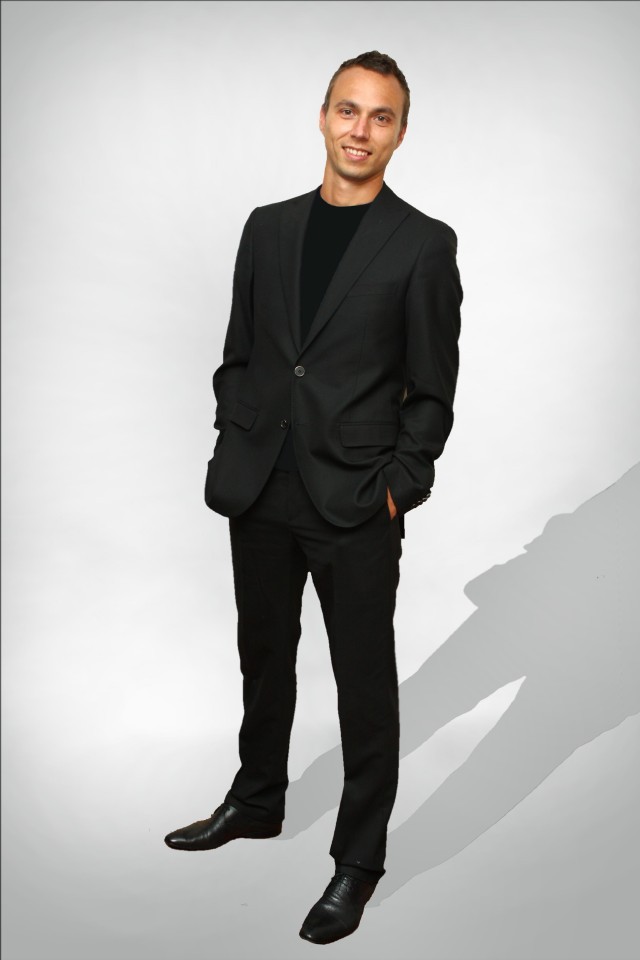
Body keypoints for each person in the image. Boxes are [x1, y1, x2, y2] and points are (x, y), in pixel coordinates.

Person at [164, 50, 463, 945]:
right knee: (264, 657)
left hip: (355, 500)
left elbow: (433, 390)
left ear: (400, 133)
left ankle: (357, 862)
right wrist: (236, 432)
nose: (360, 130)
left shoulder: (422, 245)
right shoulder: (268, 229)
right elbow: (241, 352)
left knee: (363, 686)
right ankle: (257, 800)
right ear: (324, 116)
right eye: (348, 110)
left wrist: (398, 487)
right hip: (261, 486)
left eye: (381, 116)